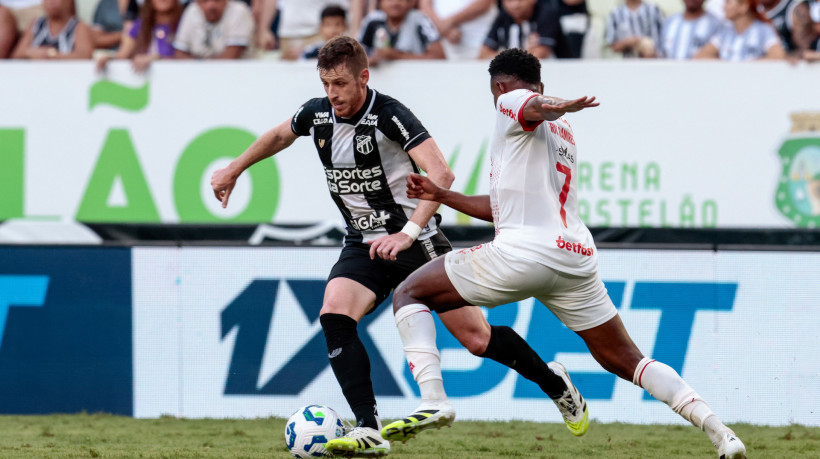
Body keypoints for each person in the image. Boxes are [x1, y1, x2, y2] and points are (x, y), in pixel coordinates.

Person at [211, 36, 588, 457]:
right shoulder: (316, 113)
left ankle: (556, 384)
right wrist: (234, 168)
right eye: (326, 83)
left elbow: (442, 174)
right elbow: (281, 134)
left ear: (363, 77)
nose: (332, 93)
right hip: (363, 241)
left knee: (477, 339)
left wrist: (407, 232)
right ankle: (368, 427)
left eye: (340, 83)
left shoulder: (390, 116)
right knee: (334, 314)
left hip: (416, 240)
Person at [380, 48, 748, 459]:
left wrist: (554, 105)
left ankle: (433, 398)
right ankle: (720, 432)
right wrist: (444, 195)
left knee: (409, 293)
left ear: (499, 87)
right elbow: (503, 206)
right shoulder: (563, 132)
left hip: (522, 255)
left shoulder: (510, 101)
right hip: (574, 258)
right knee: (626, 359)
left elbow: (532, 104)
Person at [96, 0, 181, 72]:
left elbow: (185, 57)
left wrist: (154, 58)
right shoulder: (140, 25)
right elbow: (123, 54)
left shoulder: (183, 23)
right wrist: (108, 58)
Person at [357, 0, 446, 65]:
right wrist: (369, 61)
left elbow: (439, 56)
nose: (395, 3)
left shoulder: (419, 19)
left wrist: (397, 56)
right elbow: (354, 56)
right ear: (380, 3)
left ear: (411, 3)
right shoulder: (372, 21)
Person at [479, 0, 573, 59]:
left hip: (556, 72)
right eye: (509, 1)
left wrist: (503, 57)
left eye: (520, 0)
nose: (515, 5)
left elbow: (540, 55)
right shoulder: (503, 17)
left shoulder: (546, 13)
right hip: (518, 74)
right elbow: (483, 53)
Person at [695, 0, 785, 59]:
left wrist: (746, 68)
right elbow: (700, 56)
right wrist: (726, 67)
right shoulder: (725, 33)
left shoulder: (763, 30)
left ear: (743, 7)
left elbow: (778, 55)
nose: (723, 7)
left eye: (728, 2)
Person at [11, 0, 93, 59]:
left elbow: (85, 56)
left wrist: (52, 55)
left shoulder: (79, 27)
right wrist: (31, 53)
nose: (51, 2)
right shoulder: (36, 24)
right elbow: (16, 55)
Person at [173, 0, 254, 59]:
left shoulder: (239, 11)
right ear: (197, 2)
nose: (211, 6)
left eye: (217, 0)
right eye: (205, 1)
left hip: (237, 76)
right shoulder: (192, 10)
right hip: (198, 75)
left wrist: (198, 66)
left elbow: (230, 58)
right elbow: (180, 53)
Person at [417, 0, 496, 59]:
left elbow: (485, 3)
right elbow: (425, 5)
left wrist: (450, 22)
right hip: (442, 47)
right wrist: (443, 28)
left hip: (480, 47)